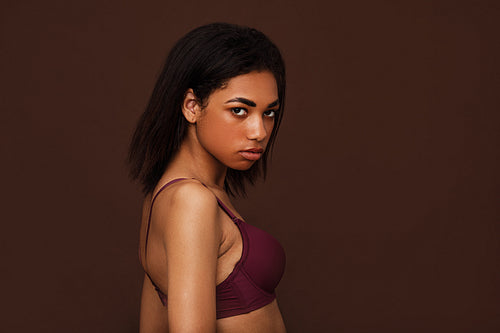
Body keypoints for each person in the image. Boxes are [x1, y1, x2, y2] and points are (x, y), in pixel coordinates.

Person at [127, 22, 287, 332]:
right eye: (240, 110)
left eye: (269, 112)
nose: (260, 132)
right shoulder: (192, 201)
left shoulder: (164, 195)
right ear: (191, 106)